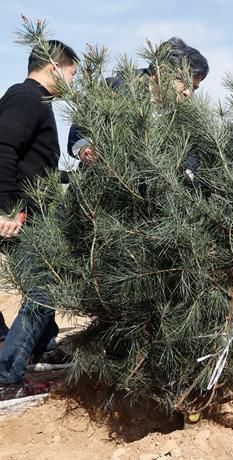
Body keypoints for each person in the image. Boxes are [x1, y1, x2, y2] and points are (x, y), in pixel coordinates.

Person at [0, 40, 79, 401]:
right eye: (72, 74)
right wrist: (7, 209)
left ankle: (44, 350)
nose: (72, 83)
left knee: (41, 280)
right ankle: (6, 375)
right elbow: (2, 150)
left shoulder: (32, 101)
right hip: (21, 214)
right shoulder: (26, 99)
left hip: (29, 212)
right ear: (53, 68)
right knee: (45, 285)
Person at [67, 37, 209, 168]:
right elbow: (78, 132)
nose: (188, 94)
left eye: (194, 89)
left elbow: (192, 156)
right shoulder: (116, 88)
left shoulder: (186, 114)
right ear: (162, 72)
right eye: (185, 85)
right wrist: (85, 150)